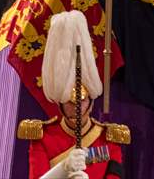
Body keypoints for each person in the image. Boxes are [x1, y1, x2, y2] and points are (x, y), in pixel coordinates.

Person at [18, 10, 128, 179]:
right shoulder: (43, 137)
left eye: (82, 99)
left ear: (91, 101)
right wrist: (63, 169)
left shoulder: (109, 138)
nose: (77, 106)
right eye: (69, 102)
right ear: (60, 103)